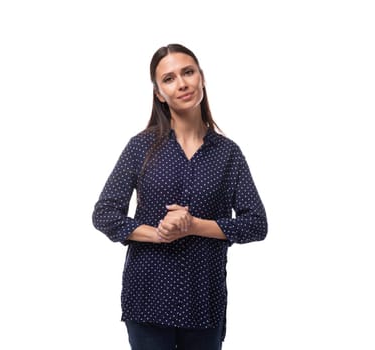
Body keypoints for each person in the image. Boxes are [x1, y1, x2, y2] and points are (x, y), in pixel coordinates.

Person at [92, 43, 268, 350]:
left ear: (201, 78)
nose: (182, 83)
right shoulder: (141, 147)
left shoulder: (228, 154)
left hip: (204, 300)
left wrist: (194, 226)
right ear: (159, 93)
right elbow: (105, 213)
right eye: (169, 78)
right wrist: (159, 234)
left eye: (188, 72)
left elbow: (256, 224)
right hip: (147, 298)